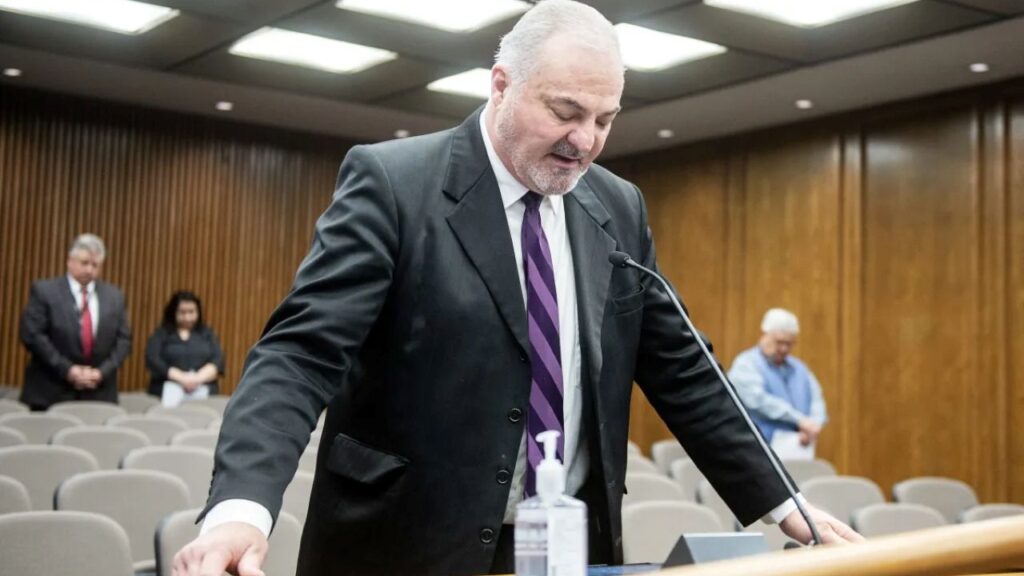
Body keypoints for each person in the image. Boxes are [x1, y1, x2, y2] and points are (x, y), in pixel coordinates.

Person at [175, 2, 862, 575]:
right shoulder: (394, 185)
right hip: (406, 548)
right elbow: (299, 354)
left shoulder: (616, 207)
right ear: (500, 84)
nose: (585, 141)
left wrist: (784, 504)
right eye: (566, 111)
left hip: (566, 550)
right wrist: (240, 510)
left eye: (605, 119)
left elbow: (686, 369)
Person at [19, 233, 132, 410]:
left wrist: (101, 372)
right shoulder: (45, 291)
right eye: (84, 263)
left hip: (99, 393)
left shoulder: (115, 297)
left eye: (95, 265)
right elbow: (32, 335)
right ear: (69, 261)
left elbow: (124, 340)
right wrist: (68, 370)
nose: (89, 270)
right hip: (50, 391)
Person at [729, 308, 828, 449]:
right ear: (764, 334)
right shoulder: (745, 364)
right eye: (779, 342)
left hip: (798, 449)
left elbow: (817, 400)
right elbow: (758, 400)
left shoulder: (799, 368)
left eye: (789, 344)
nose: (784, 349)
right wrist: (800, 420)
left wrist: (813, 426)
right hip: (756, 449)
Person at [145, 291, 225, 404]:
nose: (187, 317)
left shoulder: (207, 334)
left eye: (191, 312)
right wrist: (182, 378)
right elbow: (153, 359)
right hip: (165, 390)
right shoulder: (162, 334)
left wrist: (196, 379)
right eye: (182, 312)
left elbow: (218, 360)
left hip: (203, 389)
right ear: (174, 312)